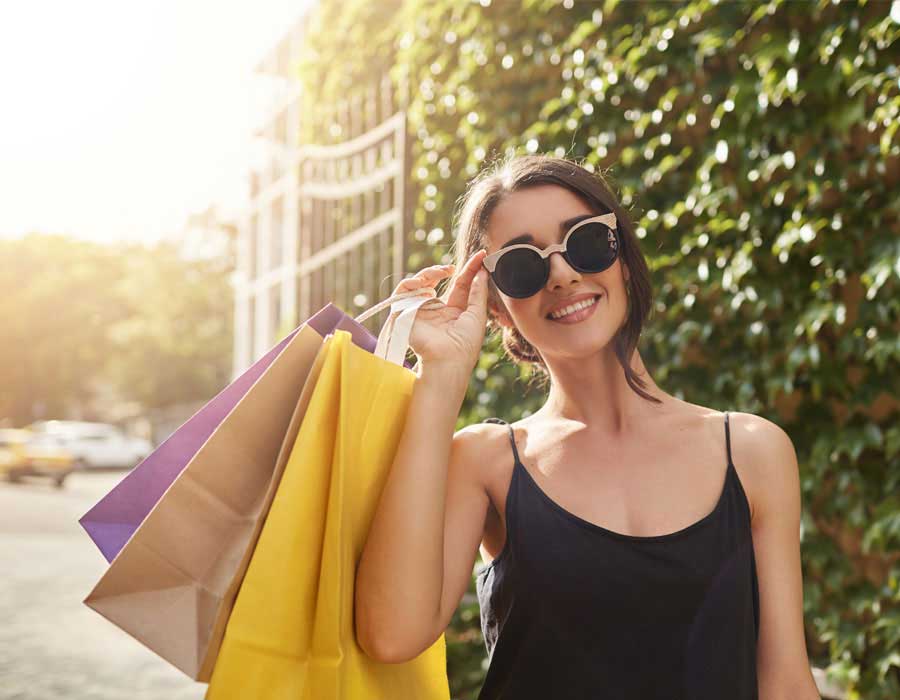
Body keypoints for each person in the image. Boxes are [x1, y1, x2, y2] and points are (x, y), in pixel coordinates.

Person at [354, 154, 821, 699]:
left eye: (586, 241)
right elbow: (390, 635)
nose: (563, 273)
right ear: (498, 308)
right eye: (522, 265)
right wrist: (440, 374)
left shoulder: (752, 452)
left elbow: (786, 684)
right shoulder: (485, 463)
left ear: (622, 256)